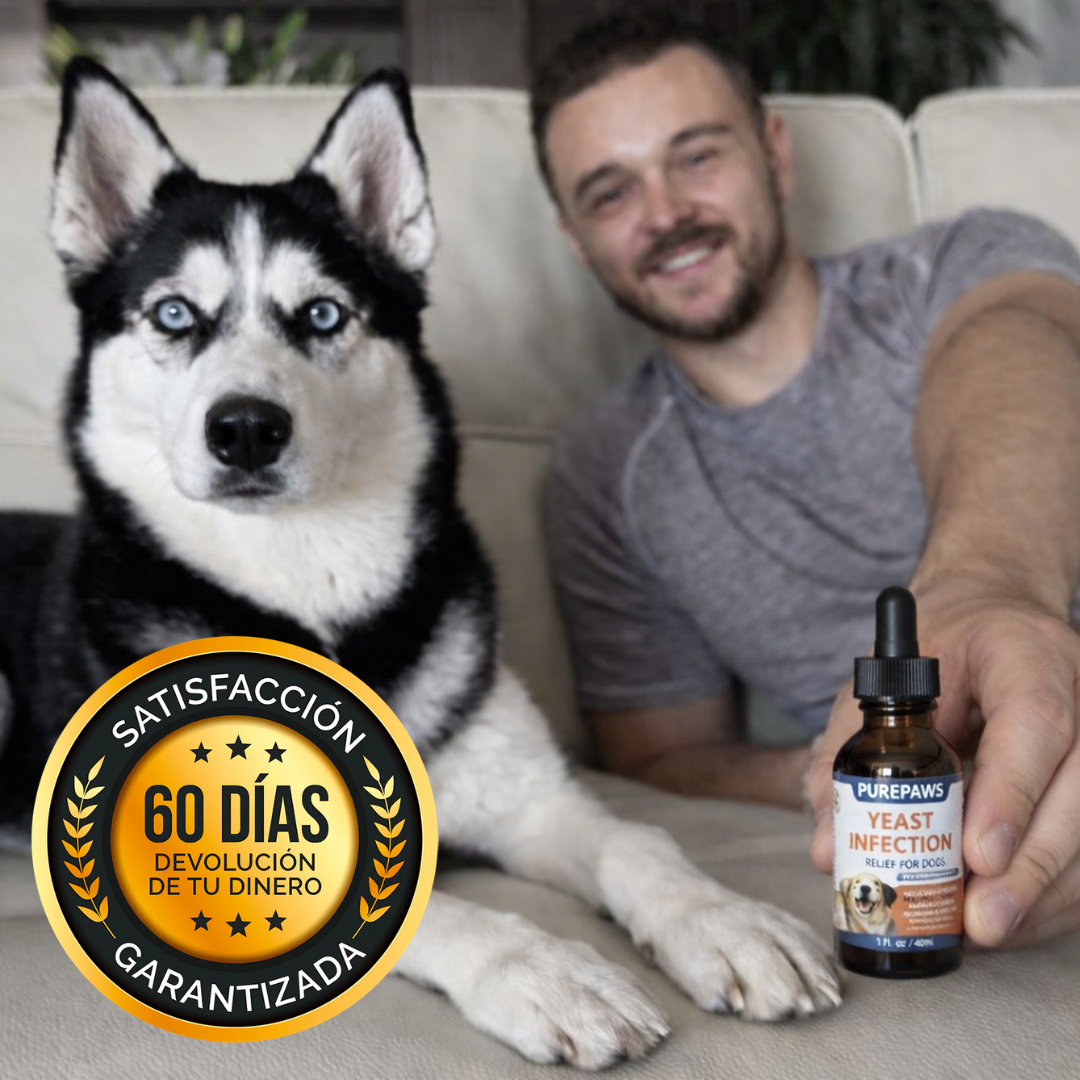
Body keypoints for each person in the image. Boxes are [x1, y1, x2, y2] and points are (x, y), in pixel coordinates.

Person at [532, 7, 1080, 950]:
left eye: (697, 156)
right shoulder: (604, 475)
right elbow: (665, 756)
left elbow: (1019, 337)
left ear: (775, 155)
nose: (665, 213)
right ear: (575, 239)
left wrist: (984, 582)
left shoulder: (955, 266)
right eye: (611, 192)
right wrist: (872, 779)